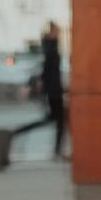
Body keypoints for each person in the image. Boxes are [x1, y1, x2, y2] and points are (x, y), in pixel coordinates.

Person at [11, 22, 67, 159]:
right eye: (56, 30)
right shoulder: (49, 48)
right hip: (53, 91)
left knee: (56, 120)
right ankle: (18, 132)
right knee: (56, 120)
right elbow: (45, 71)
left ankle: (57, 150)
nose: (59, 33)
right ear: (51, 31)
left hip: (54, 89)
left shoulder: (50, 46)